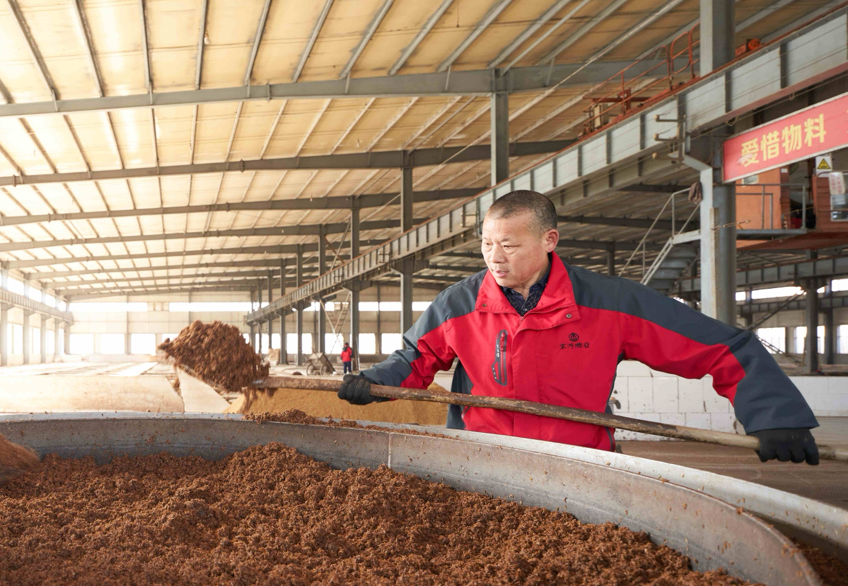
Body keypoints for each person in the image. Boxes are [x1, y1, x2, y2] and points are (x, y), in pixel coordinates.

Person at [338, 190, 822, 464]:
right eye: (486, 244)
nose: (494, 257)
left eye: (508, 244)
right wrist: (374, 384)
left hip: (582, 464)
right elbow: (413, 360)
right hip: (481, 460)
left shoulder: (610, 303)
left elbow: (723, 347)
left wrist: (775, 414)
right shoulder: (459, 305)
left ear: (550, 240)